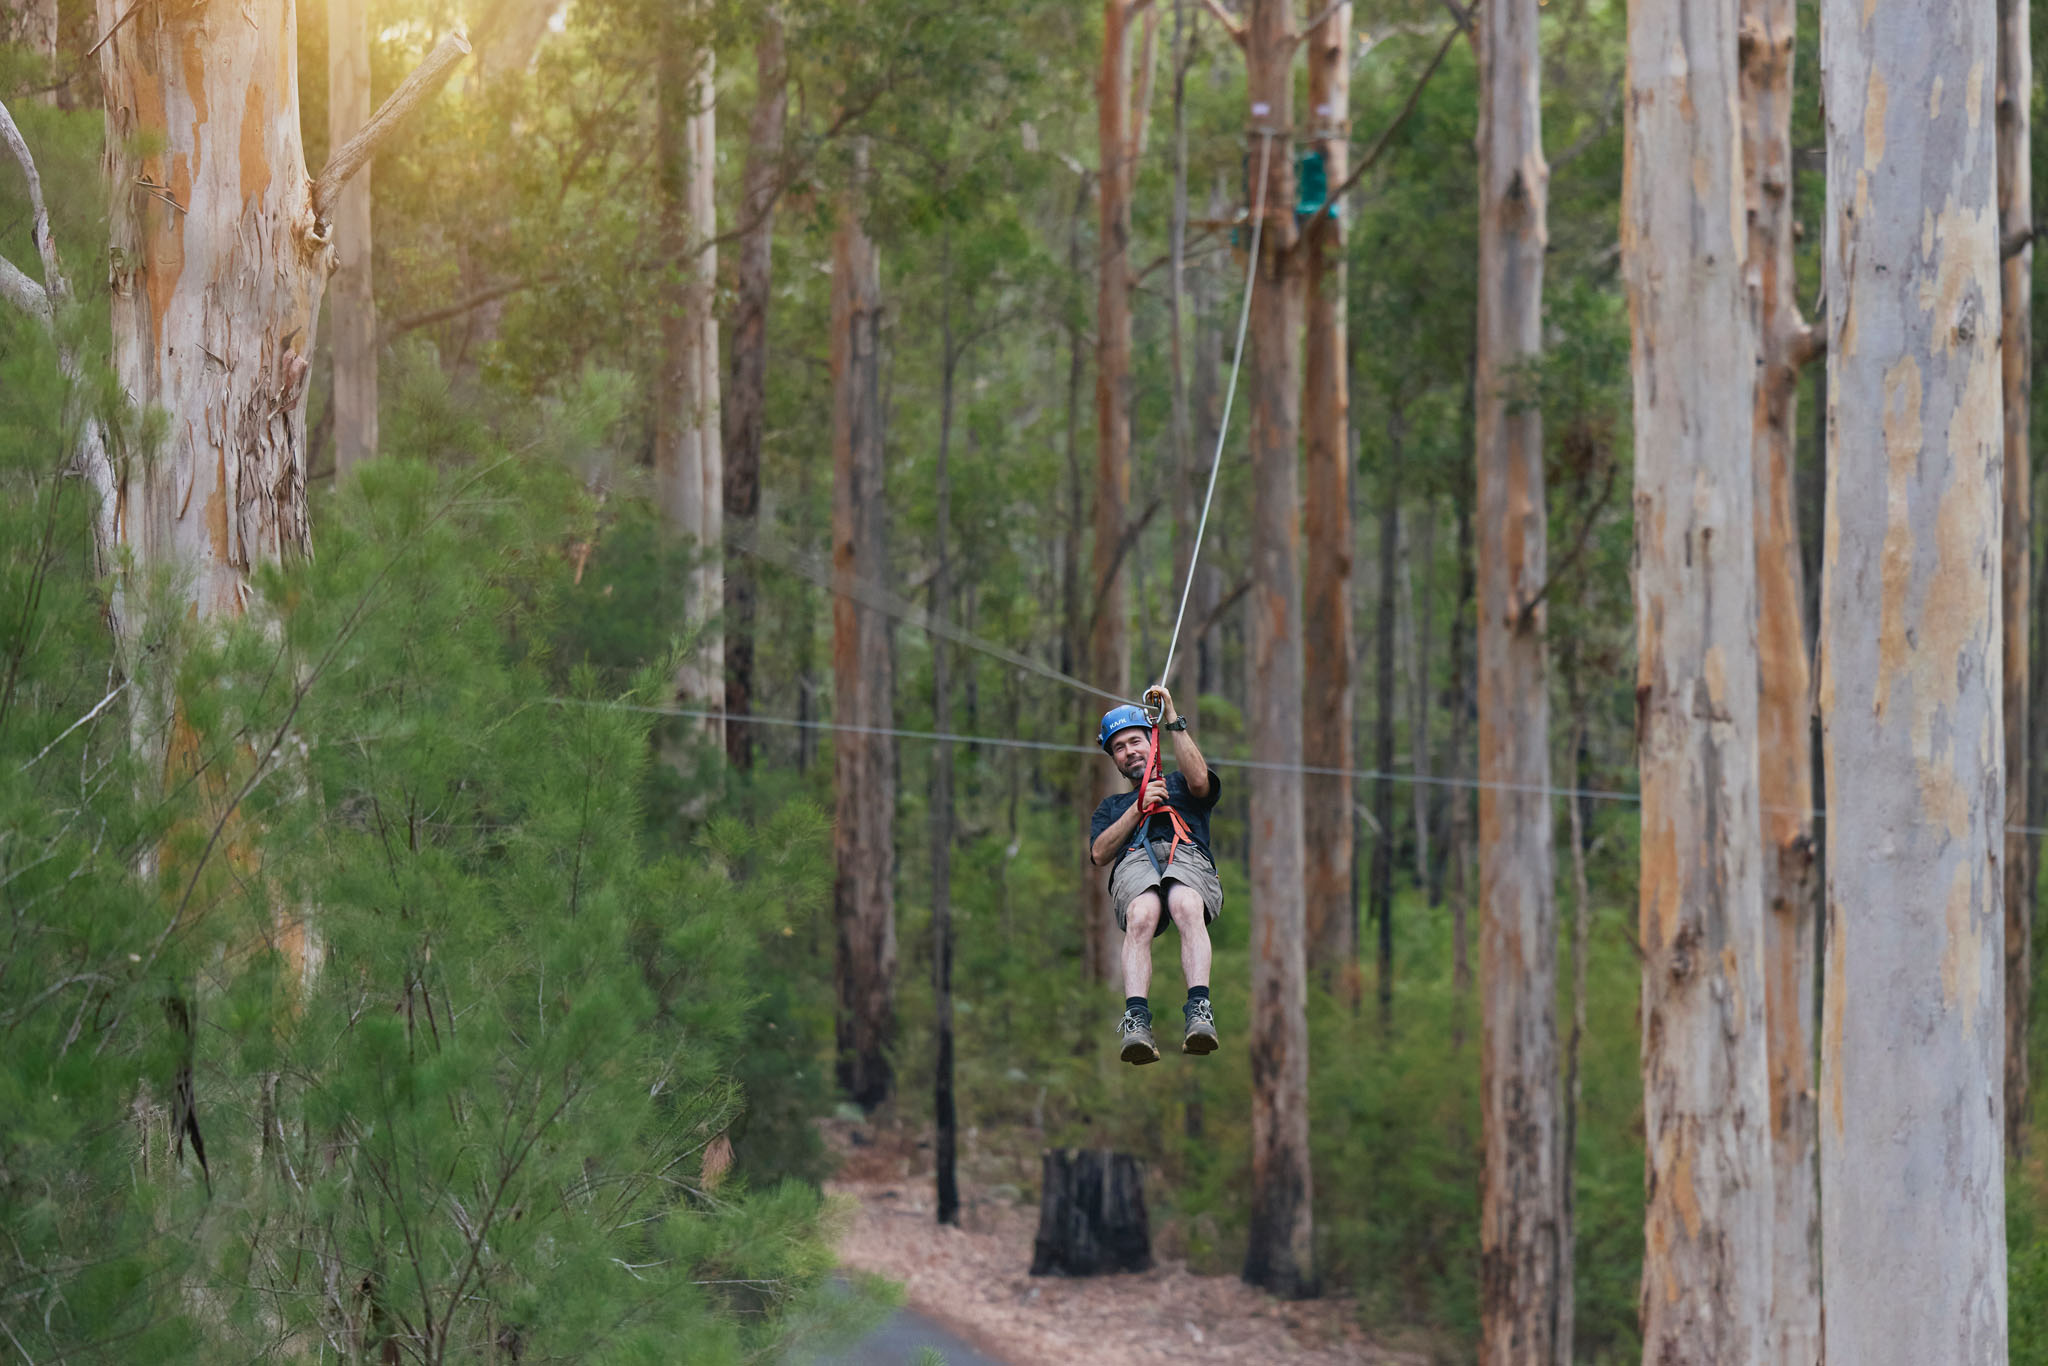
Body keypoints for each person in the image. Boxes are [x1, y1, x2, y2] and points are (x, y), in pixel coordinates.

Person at [1089, 685, 1225, 1064]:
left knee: (1185, 902)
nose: (1129, 751)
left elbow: (1201, 781)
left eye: (1135, 741)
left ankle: (1199, 1009)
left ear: (1151, 744)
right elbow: (1099, 853)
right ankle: (1136, 1019)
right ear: (1114, 759)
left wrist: (1170, 717)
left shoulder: (1181, 784)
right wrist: (1137, 807)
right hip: (1135, 858)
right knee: (1141, 914)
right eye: (1119, 747)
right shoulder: (1112, 806)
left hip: (1187, 852)